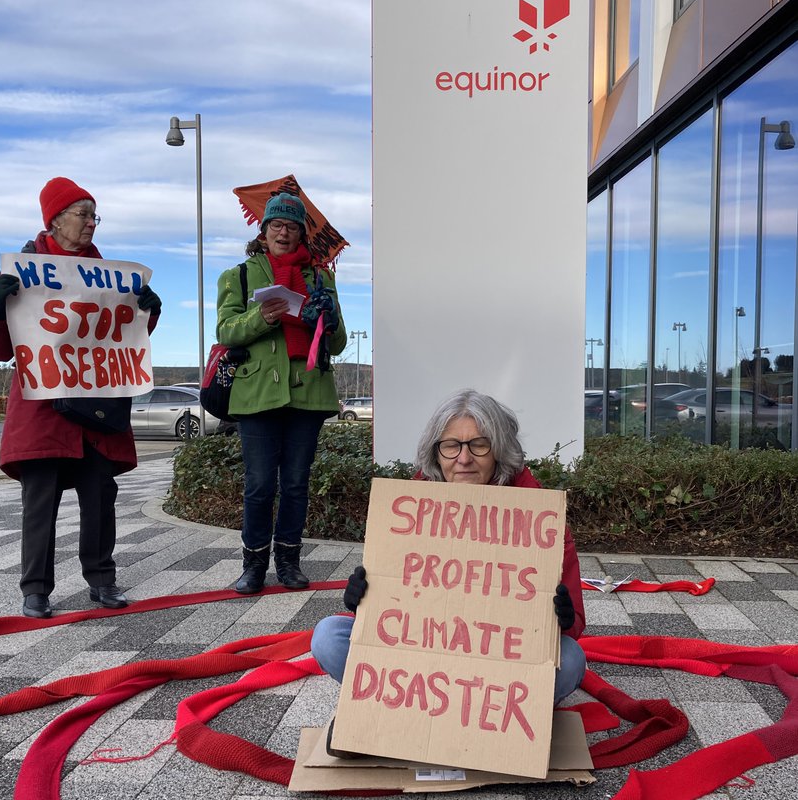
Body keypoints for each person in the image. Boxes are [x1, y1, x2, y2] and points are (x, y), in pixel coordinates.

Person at [312, 389, 587, 704]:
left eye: (479, 445)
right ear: (436, 453)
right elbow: (391, 603)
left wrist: (561, 620)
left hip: (500, 671)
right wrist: (365, 598)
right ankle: (395, 712)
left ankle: (490, 723)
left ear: (498, 450)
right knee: (328, 636)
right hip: (419, 662)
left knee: (571, 659)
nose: (464, 458)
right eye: (451, 446)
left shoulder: (539, 519)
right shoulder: (410, 511)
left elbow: (575, 619)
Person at [0, 176, 162, 619]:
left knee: (100, 497)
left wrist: (147, 312)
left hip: (96, 409)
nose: (91, 223)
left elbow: (122, 342)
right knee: (39, 503)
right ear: (55, 219)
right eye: (83, 214)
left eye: (94, 215)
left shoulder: (111, 277)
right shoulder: (22, 271)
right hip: (45, 410)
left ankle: (102, 580)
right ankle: (36, 590)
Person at [216, 191, 346, 594]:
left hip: (307, 394)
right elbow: (226, 331)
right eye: (277, 225)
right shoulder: (238, 275)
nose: (284, 233)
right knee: (258, 485)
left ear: (301, 233)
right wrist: (264, 315)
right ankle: (253, 564)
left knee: (295, 484)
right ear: (263, 229)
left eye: (292, 226)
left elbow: (338, 343)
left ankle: (289, 561)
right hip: (256, 395)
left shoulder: (322, 277)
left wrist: (327, 315)